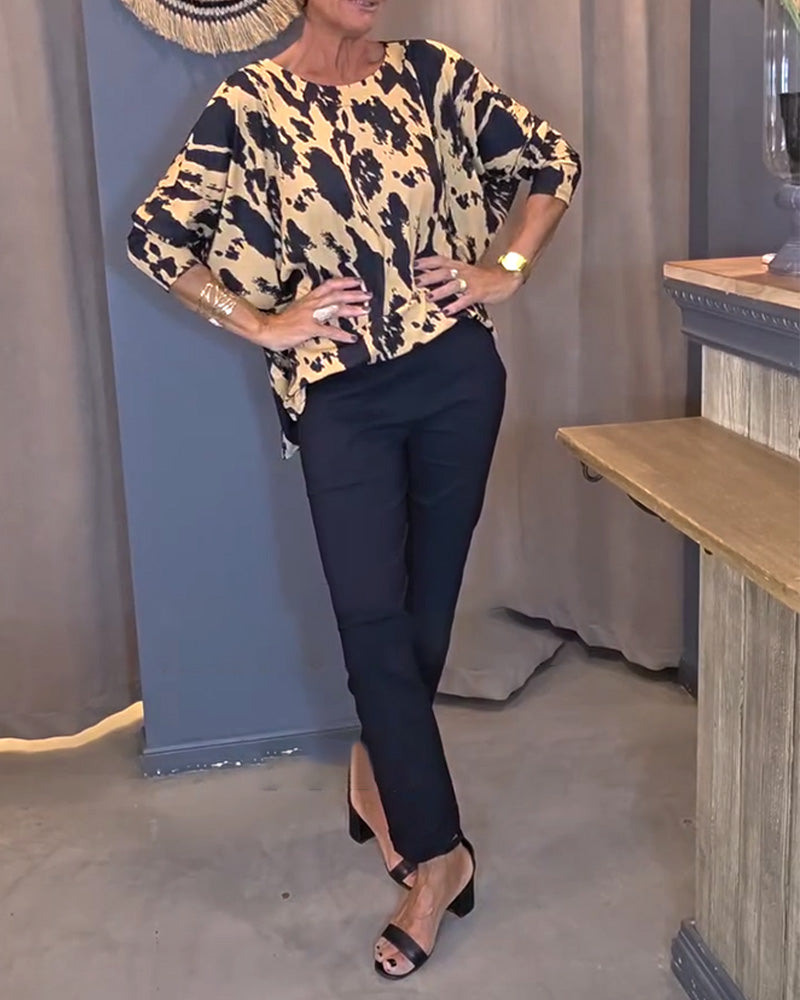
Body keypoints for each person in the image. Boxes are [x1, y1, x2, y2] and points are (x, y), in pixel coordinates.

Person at [127, 0, 581, 980]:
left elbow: (552, 163)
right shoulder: (251, 102)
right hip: (340, 395)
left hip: (455, 378)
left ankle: (378, 769)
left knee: (423, 612)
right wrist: (262, 323)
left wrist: (504, 267)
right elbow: (156, 235)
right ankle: (439, 855)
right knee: (370, 614)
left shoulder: (429, 75)